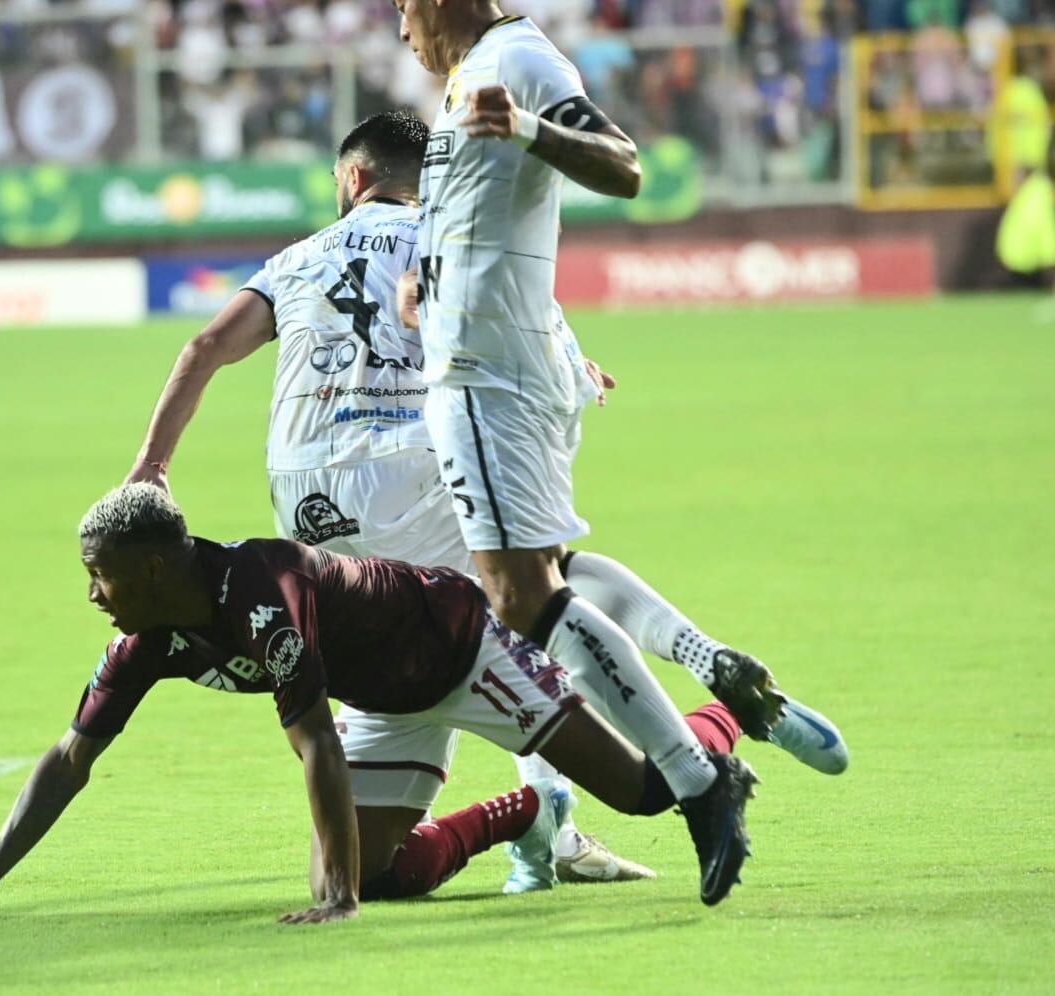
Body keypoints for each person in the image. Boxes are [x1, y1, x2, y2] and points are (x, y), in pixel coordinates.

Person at [126, 109, 846, 885]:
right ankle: (558, 805)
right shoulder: (454, 245)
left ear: (353, 177)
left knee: (519, 605)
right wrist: (571, 361)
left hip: (315, 509)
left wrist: (151, 466)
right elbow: (533, 336)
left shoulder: (296, 259)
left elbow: (203, 347)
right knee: (522, 604)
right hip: (409, 489)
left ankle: (681, 734)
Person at [387, 1, 851, 900]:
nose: (402, 29)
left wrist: (524, 125)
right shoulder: (467, 80)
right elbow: (481, 215)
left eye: (404, 7)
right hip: (506, 357)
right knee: (547, 577)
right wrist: (424, 280)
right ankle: (716, 668)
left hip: (487, 374)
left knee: (519, 601)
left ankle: (695, 777)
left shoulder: (515, 59)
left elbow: (625, 166)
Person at [0, 484, 756, 927]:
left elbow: (315, 745)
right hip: (381, 699)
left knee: (647, 793)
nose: (92, 593)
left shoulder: (263, 591)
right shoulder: (147, 641)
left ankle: (720, 735)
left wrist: (336, 903)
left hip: (463, 651)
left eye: (101, 573)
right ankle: (526, 809)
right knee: (371, 872)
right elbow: (69, 759)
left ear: (156, 569)